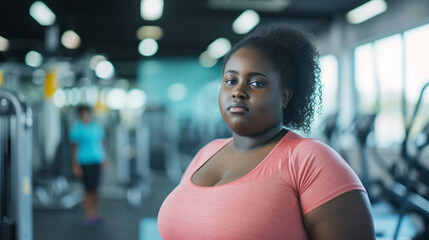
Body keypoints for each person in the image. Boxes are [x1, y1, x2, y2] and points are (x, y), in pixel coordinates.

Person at [157, 24, 375, 239]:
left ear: (285, 97)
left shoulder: (310, 160)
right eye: (231, 81)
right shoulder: (206, 153)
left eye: (256, 83)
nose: (238, 92)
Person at [69, 105, 108, 225]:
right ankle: (88, 214)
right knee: (88, 190)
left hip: (97, 160)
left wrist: (105, 159)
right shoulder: (77, 129)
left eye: (87, 113)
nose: (85, 116)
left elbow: (102, 143)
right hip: (84, 162)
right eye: (82, 114)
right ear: (80, 115)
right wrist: (75, 165)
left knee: (96, 190)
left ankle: (96, 212)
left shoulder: (97, 127)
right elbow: (74, 149)